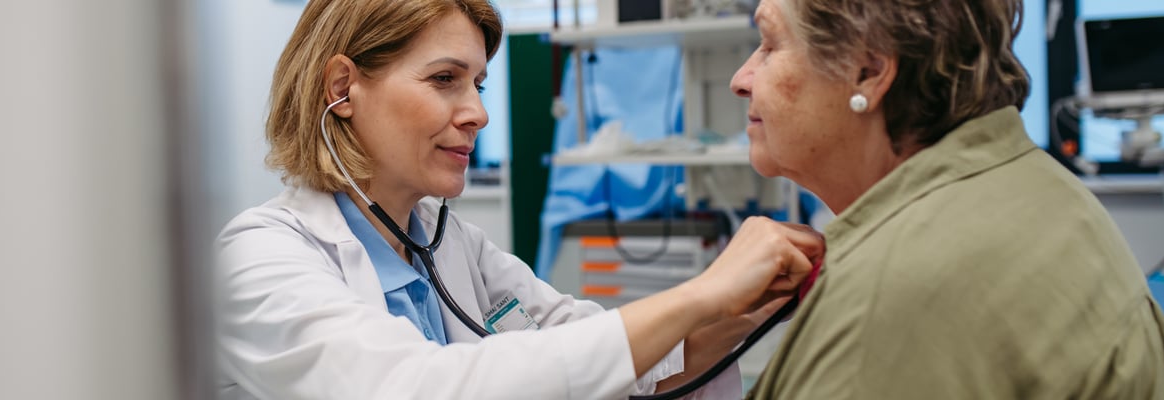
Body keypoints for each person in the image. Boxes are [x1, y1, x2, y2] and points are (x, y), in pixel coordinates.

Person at [214, 0, 825, 399]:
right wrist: (701, 293)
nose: (478, 113)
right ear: (343, 88)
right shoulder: (260, 257)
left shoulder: (452, 247)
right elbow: (417, 387)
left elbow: (605, 354)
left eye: (477, 84)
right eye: (444, 79)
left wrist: (748, 308)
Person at [729, 0, 1164, 398]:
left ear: (868, 70)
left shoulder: (892, 297)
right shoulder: (1029, 185)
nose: (740, 80)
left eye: (768, 45)